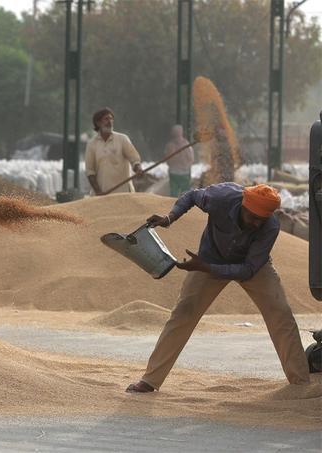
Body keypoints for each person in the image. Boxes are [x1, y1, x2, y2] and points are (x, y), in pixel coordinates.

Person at [126, 183, 311, 393]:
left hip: (251, 265)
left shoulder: (270, 227)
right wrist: (170, 218)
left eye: (262, 219)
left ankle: (300, 383)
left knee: (281, 314)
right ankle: (150, 380)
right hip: (209, 257)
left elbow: (248, 270)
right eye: (253, 217)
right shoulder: (222, 197)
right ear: (243, 205)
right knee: (184, 313)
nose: (257, 223)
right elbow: (192, 195)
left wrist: (208, 268)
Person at [85, 107, 143, 195]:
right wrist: (98, 192)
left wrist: (138, 169)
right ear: (98, 123)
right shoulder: (92, 144)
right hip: (102, 194)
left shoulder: (122, 139)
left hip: (123, 194)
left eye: (111, 119)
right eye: (106, 119)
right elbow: (90, 172)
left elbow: (134, 160)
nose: (110, 121)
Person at [165, 125, 194, 197]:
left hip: (175, 173)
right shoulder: (186, 144)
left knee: (174, 195)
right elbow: (191, 159)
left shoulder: (170, 145)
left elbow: (167, 161)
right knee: (185, 195)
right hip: (184, 173)